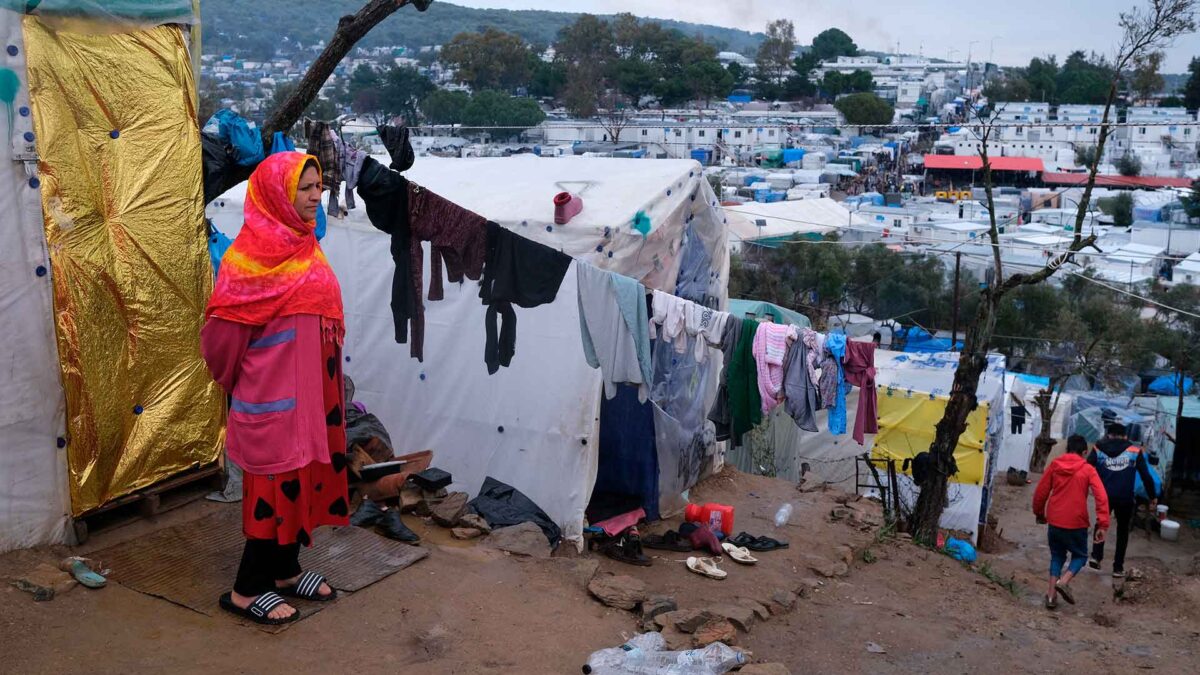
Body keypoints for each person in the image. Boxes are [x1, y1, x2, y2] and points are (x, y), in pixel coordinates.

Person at [202, 152, 350, 625]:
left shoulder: (306, 247)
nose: (314, 196)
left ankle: (286, 570)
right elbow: (221, 343)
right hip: (273, 401)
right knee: (272, 487)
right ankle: (247, 589)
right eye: (304, 188)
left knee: (302, 480)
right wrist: (244, 386)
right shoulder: (246, 264)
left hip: (312, 401)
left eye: (317, 186)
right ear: (276, 195)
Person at [1033, 435, 1109, 609]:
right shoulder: (1088, 469)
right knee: (1081, 556)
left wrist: (1039, 513)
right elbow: (1101, 497)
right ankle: (1064, 581)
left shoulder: (1055, 465)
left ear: (1067, 449)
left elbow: (1041, 492)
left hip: (1055, 519)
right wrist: (1103, 524)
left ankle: (1051, 596)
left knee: (1057, 556)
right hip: (1077, 521)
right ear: (1084, 452)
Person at [1088, 423, 1157, 579]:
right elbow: (1146, 476)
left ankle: (1096, 557)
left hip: (1104, 496)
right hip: (1125, 497)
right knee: (1122, 531)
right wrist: (1152, 496)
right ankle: (1117, 568)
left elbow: (1086, 468)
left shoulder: (1098, 449)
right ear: (1125, 436)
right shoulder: (1134, 451)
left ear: (1108, 434)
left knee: (1101, 524)